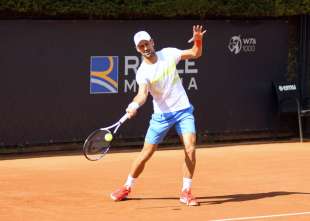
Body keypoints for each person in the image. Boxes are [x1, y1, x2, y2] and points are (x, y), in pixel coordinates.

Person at [110, 25, 206, 206]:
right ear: (137, 49)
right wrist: (133, 104)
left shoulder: (168, 54)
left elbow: (195, 53)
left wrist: (198, 40)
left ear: (153, 42)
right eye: (141, 46)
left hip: (183, 110)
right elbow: (142, 94)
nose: (145, 48)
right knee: (146, 153)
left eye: (147, 44)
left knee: (190, 147)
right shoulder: (142, 73)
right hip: (161, 116)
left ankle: (186, 191)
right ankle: (127, 186)